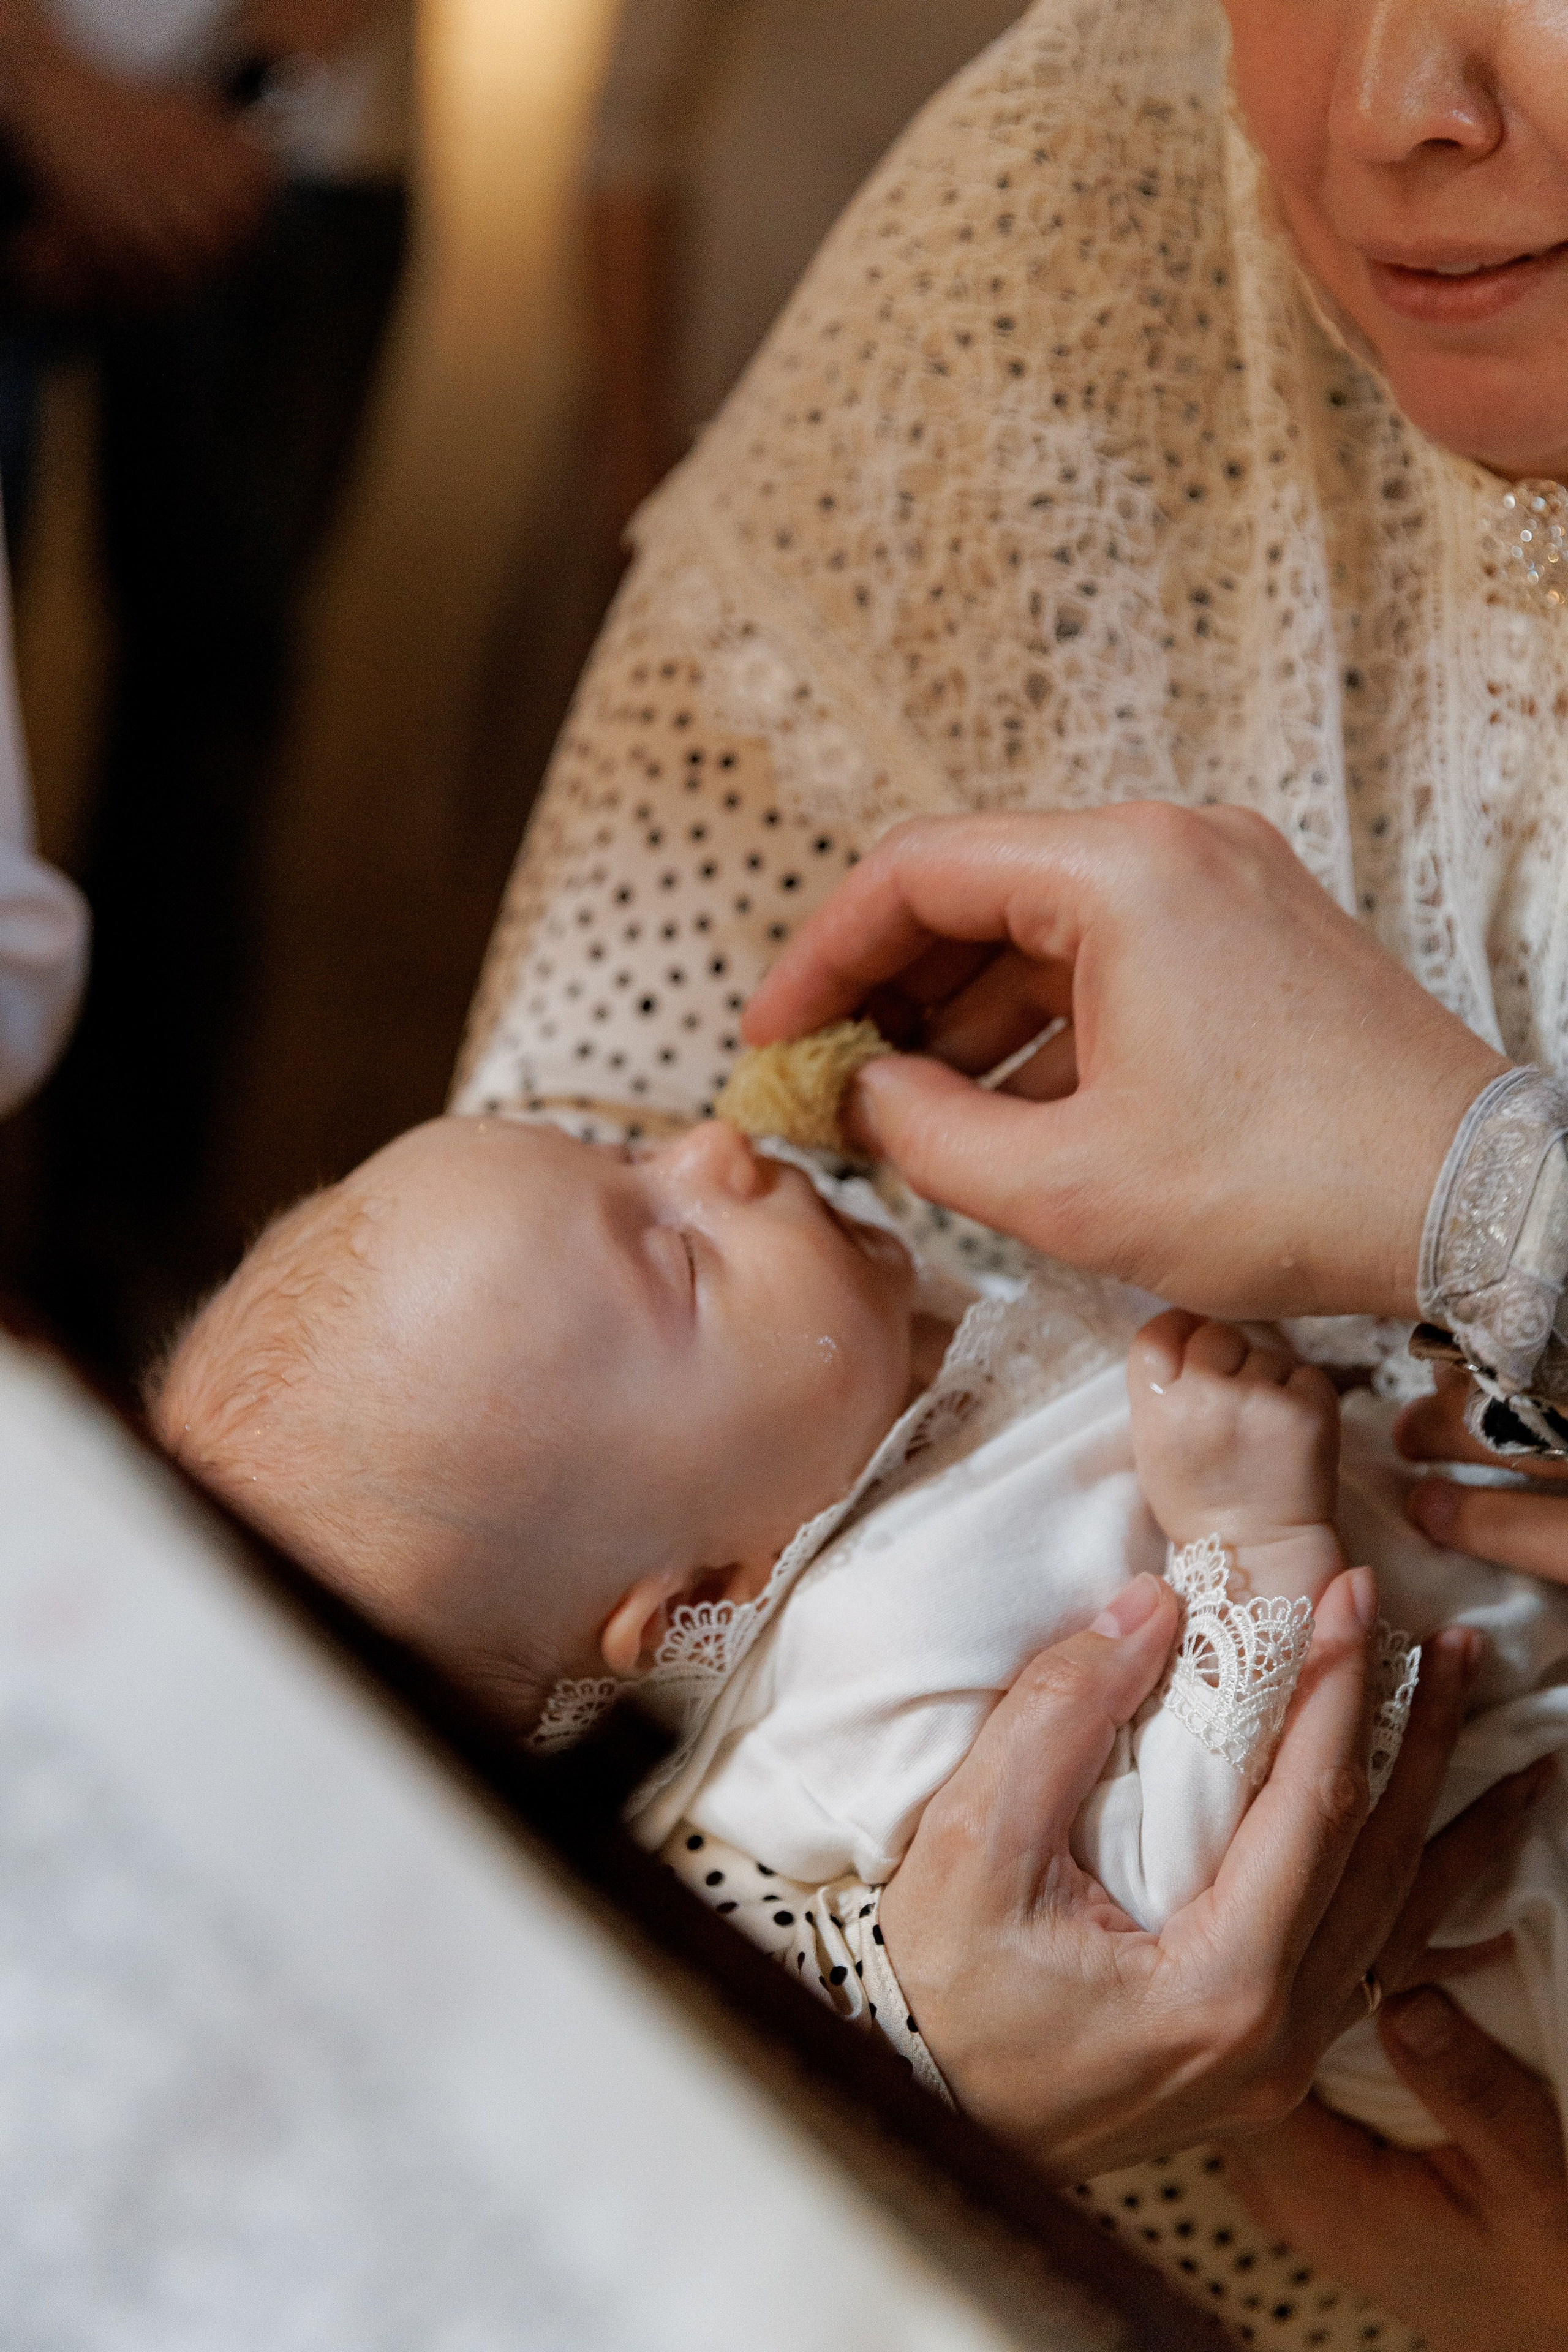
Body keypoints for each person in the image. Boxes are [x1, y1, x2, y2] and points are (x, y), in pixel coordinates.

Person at [435, 0, 1568, 2329]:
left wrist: (1480, 1201)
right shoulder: (1071, 206)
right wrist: (901, 2039)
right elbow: (503, 1373)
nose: (1395, 108)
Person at [151, 1084, 1566, 2162]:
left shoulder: (858, 1410)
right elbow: (1175, 1916)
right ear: (705, 1593)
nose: (712, 1150)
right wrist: (1247, 1544)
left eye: (625, 1153)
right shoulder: (858, 1678)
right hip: (1508, 1920)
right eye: (679, 1256)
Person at [0, 0, 413, 1355]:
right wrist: (42, 94)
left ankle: (118, 1273)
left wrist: (229, 108)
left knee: (204, 746)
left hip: (300, 159)